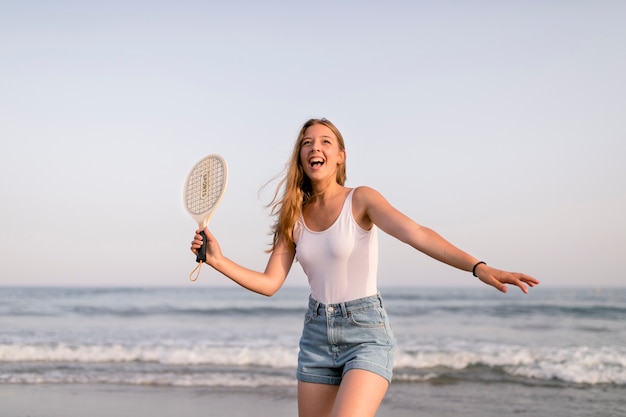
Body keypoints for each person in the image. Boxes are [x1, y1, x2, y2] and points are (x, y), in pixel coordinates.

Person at [190, 118, 540, 417]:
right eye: (307, 143)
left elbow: (417, 234)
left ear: (340, 156)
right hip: (315, 337)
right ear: (300, 156)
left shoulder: (361, 199)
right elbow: (269, 283)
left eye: (326, 141)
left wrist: (477, 267)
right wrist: (217, 260)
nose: (316, 148)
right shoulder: (293, 217)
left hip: (366, 334)